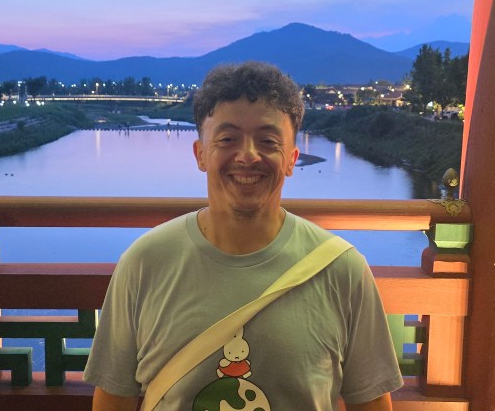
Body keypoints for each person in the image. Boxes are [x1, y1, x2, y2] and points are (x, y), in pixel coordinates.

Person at [84, 61, 403, 410]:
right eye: (227, 139)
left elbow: (372, 403)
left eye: (267, 141)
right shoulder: (144, 263)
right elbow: (113, 399)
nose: (248, 155)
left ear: (291, 159)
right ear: (200, 154)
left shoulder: (343, 270)